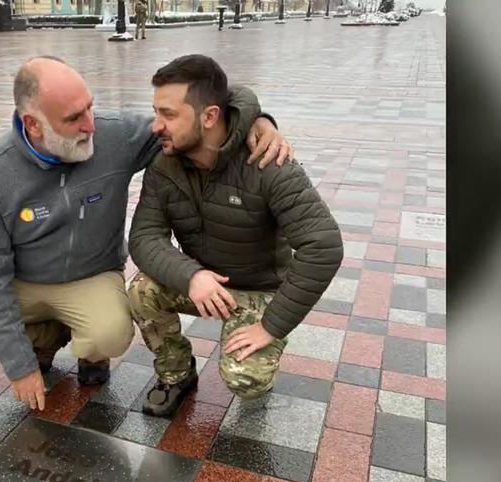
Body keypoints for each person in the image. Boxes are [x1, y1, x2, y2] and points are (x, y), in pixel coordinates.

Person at [0, 56, 293, 411]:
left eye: (89, 107)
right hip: (19, 282)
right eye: (74, 118)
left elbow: (199, 115)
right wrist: (20, 366)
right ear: (33, 124)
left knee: (109, 335)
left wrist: (255, 120)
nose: (90, 125)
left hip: (89, 277)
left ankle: (85, 345)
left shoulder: (115, 135)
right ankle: (50, 337)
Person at [127, 54, 343, 417]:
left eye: (168, 114)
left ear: (210, 116)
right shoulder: (164, 165)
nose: (156, 126)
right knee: (141, 291)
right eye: (156, 112)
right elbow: (145, 237)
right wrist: (190, 275)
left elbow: (323, 246)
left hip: (258, 292)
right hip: (203, 283)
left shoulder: (268, 162)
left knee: (246, 381)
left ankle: (260, 345)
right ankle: (176, 373)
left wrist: (270, 326)